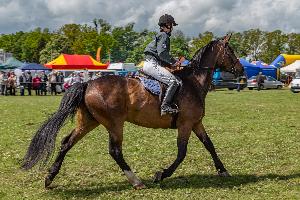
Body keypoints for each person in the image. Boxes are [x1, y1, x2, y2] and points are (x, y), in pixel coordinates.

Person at [143, 14, 182, 115]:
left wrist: (172, 64)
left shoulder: (161, 36)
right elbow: (162, 53)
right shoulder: (164, 35)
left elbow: (162, 56)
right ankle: (165, 106)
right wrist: (174, 62)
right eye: (172, 25)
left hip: (150, 63)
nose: (172, 28)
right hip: (152, 64)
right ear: (168, 25)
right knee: (174, 82)